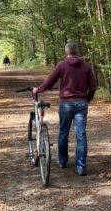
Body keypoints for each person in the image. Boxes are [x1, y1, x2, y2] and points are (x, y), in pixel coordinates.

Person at [33, 42, 97, 176]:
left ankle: (62, 161)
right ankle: (81, 166)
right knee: (81, 134)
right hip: (81, 103)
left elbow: (50, 81)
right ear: (77, 52)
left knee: (63, 132)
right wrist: (87, 99)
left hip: (66, 103)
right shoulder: (86, 66)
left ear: (66, 52)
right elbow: (93, 87)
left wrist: (38, 89)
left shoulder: (62, 65)